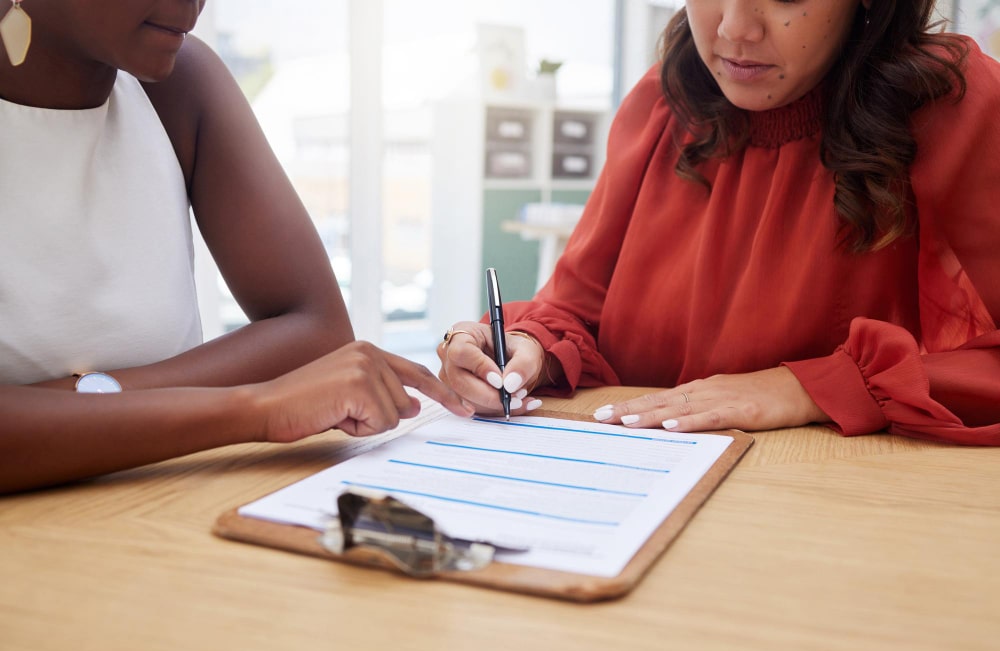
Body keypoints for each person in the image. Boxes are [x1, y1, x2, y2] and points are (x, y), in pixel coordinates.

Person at [438, 0, 1000, 444]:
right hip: (639, 489)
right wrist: (526, 347)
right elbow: (575, 309)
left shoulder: (952, 101)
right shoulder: (662, 103)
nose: (733, 29)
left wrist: (809, 390)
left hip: (839, 518)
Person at [0, 0, 473, 494]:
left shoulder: (178, 79)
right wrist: (255, 407)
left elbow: (315, 332)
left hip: (165, 504)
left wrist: (67, 405)